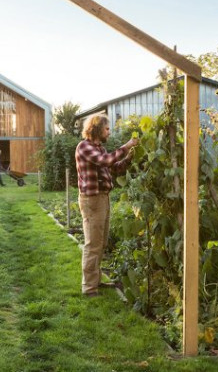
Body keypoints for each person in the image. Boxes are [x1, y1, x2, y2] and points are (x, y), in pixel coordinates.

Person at [75, 114, 138, 297]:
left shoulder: (100, 149)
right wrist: (126, 146)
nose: (109, 132)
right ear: (96, 129)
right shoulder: (84, 147)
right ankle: (89, 288)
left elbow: (114, 167)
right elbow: (105, 161)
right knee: (93, 244)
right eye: (107, 129)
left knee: (101, 243)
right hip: (92, 200)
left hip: (103, 198)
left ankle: (95, 281)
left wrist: (129, 158)